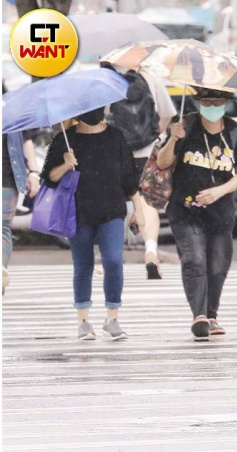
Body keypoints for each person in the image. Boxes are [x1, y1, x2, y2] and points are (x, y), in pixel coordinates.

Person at [41, 106, 146, 341]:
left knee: (113, 261)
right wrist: (66, 165)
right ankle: (83, 321)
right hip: (77, 212)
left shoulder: (115, 136)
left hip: (112, 211)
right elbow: (49, 177)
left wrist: (138, 211)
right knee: (83, 265)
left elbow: (130, 179)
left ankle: (112, 318)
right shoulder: (65, 139)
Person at [156, 88, 237, 339]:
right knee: (194, 258)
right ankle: (199, 315)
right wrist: (172, 140)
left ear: (226, 103)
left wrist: (219, 191)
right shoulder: (185, 125)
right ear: (198, 102)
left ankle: (212, 315)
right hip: (185, 209)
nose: (211, 106)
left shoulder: (234, 131)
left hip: (221, 212)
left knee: (218, 265)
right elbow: (163, 162)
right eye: (206, 101)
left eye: (217, 102)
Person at [103, 63, 178, 280]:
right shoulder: (149, 76)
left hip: (115, 151)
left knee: (116, 205)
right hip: (147, 150)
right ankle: (151, 251)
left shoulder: (106, 78)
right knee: (147, 203)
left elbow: (100, 117)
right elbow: (167, 113)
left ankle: (112, 258)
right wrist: (155, 136)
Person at [2, 128, 40, 295]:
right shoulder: (14, 104)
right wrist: (33, 173)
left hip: (8, 179)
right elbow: (26, 139)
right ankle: (1, 265)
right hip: (8, 180)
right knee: (2, 228)